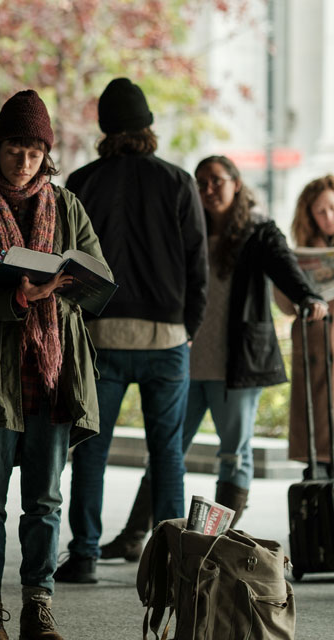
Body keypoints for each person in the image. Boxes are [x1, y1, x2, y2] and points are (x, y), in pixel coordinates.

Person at [0, 90, 107, 640]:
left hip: (53, 377)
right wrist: (20, 297)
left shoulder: (68, 207)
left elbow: (96, 272)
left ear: (46, 154)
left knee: (44, 500)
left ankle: (39, 604)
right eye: (16, 147)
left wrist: (68, 284)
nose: (25, 160)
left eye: (36, 150)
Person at [101, 156, 327, 559]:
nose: (207, 189)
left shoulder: (259, 231)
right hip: (183, 360)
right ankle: (135, 535)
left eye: (216, 181)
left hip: (237, 364)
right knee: (167, 448)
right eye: (201, 182)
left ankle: (216, 540)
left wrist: (307, 297)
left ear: (236, 184)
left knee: (233, 454)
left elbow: (286, 270)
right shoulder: (187, 227)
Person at [56, 78, 208, 583]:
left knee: (91, 450)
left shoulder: (82, 182)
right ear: (148, 127)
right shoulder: (179, 181)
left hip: (102, 338)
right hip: (166, 337)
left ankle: (84, 555)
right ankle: (174, 561)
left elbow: (68, 265)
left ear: (104, 129)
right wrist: (187, 327)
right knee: (166, 451)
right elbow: (197, 264)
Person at [277, 175, 334, 479]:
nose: (328, 218)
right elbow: (286, 307)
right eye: (320, 211)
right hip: (315, 351)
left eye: (332, 209)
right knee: (318, 453)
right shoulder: (301, 252)